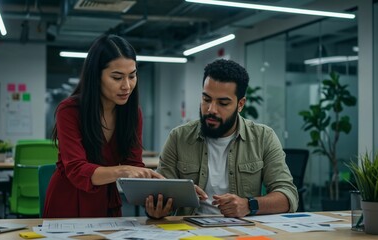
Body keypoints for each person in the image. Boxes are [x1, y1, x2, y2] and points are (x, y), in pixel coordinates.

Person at [146, 59, 298, 219]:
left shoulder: (263, 137)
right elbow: (159, 194)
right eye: (206, 99)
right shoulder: (179, 137)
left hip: (241, 230)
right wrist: (157, 209)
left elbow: (288, 196)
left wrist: (248, 205)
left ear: (240, 104)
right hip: (190, 230)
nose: (211, 110)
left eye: (223, 103)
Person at [44, 34, 163, 218]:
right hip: (68, 201)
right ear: (96, 76)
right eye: (117, 78)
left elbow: (134, 165)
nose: (127, 86)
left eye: (132, 76)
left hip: (107, 202)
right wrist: (122, 171)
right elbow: (77, 170)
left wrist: (165, 194)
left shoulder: (132, 113)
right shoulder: (69, 110)